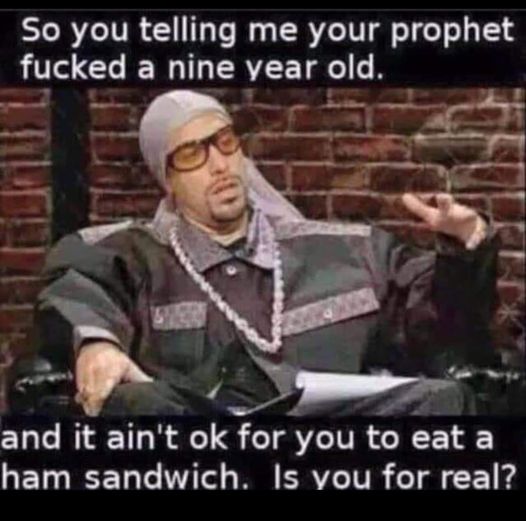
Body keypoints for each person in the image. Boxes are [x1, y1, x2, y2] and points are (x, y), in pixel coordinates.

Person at [34, 90, 500, 417]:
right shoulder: (135, 254)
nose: (219, 165)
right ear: (167, 179)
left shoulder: (347, 249)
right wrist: (96, 343)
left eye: (224, 142)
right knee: (136, 403)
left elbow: (436, 316)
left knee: (442, 399)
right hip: (207, 442)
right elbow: (77, 286)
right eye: (192, 154)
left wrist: (464, 244)